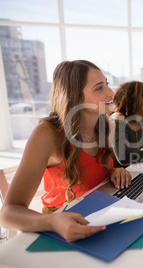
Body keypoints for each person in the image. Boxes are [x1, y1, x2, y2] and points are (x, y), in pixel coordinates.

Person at [0, 60, 131, 242]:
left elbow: (96, 173)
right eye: (99, 88)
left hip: (100, 216)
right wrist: (53, 222)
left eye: (107, 85)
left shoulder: (104, 125)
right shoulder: (47, 133)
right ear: (76, 97)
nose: (111, 93)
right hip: (63, 225)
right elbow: (7, 213)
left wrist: (115, 170)